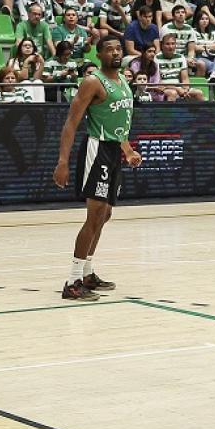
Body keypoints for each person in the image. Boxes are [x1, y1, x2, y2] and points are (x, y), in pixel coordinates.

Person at [52, 37, 142, 300]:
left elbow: (119, 126)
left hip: (114, 150)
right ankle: (72, 281)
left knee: (105, 214)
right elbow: (71, 122)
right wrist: (62, 161)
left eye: (118, 48)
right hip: (97, 149)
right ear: (100, 54)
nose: (115, 52)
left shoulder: (124, 81)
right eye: (109, 49)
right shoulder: (93, 81)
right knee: (94, 216)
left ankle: (88, 273)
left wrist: (128, 150)